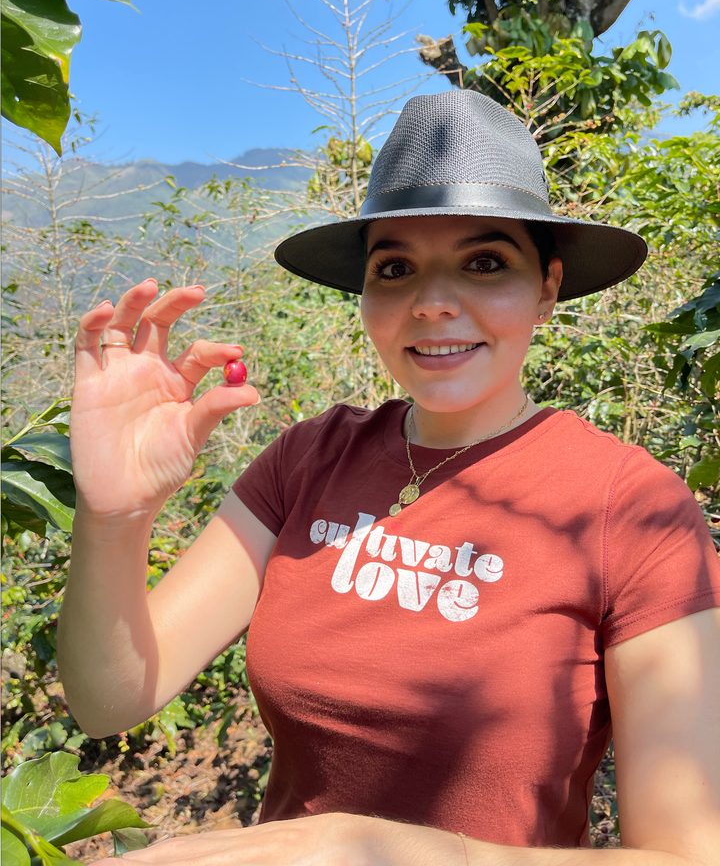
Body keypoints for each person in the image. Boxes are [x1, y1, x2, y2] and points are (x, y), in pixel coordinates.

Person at [58, 91, 720, 866]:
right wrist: (113, 515)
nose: (432, 303)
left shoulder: (633, 510)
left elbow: (686, 854)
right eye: (395, 268)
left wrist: (360, 847)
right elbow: (111, 699)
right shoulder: (307, 460)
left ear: (547, 287)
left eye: (485, 262)